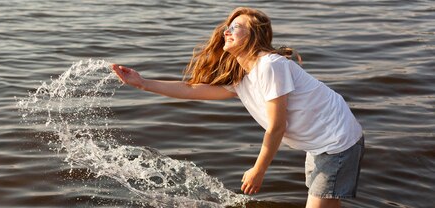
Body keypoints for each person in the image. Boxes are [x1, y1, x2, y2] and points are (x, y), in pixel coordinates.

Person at [111, 7, 364, 208]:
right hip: (319, 143)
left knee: (320, 200)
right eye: (227, 27)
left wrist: (258, 170)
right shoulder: (243, 75)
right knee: (327, 199)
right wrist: (142, 83)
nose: (226, 32)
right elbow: (191, 90)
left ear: (253, 36)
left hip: (336, 142)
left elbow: (277, 126)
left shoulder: (270, 65)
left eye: (235, 27)